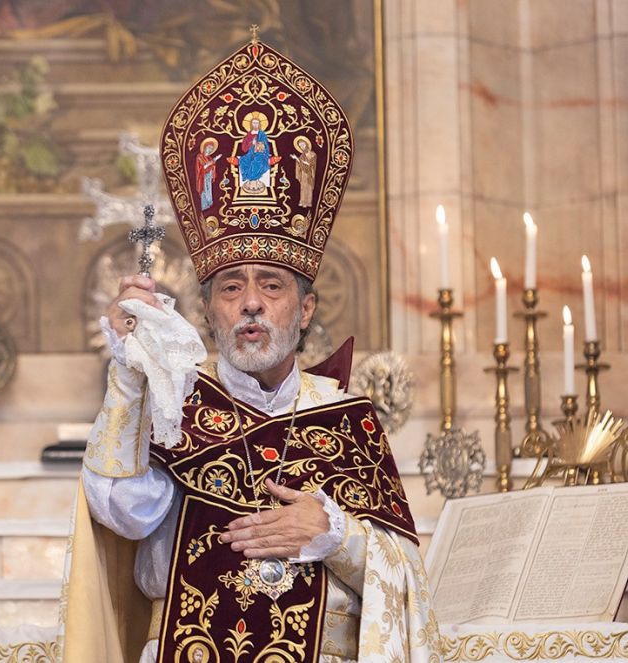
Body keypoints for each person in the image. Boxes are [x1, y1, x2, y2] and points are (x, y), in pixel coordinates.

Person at [59, 36, 441, 663]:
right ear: (208, 310)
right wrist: (132, 377)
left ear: (306, 309)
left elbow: (408, 581)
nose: (252, 303)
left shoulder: (348, 419)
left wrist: (333, 536)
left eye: (273, 285)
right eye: (231, 288)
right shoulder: (177, 402)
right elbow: (123, 516)